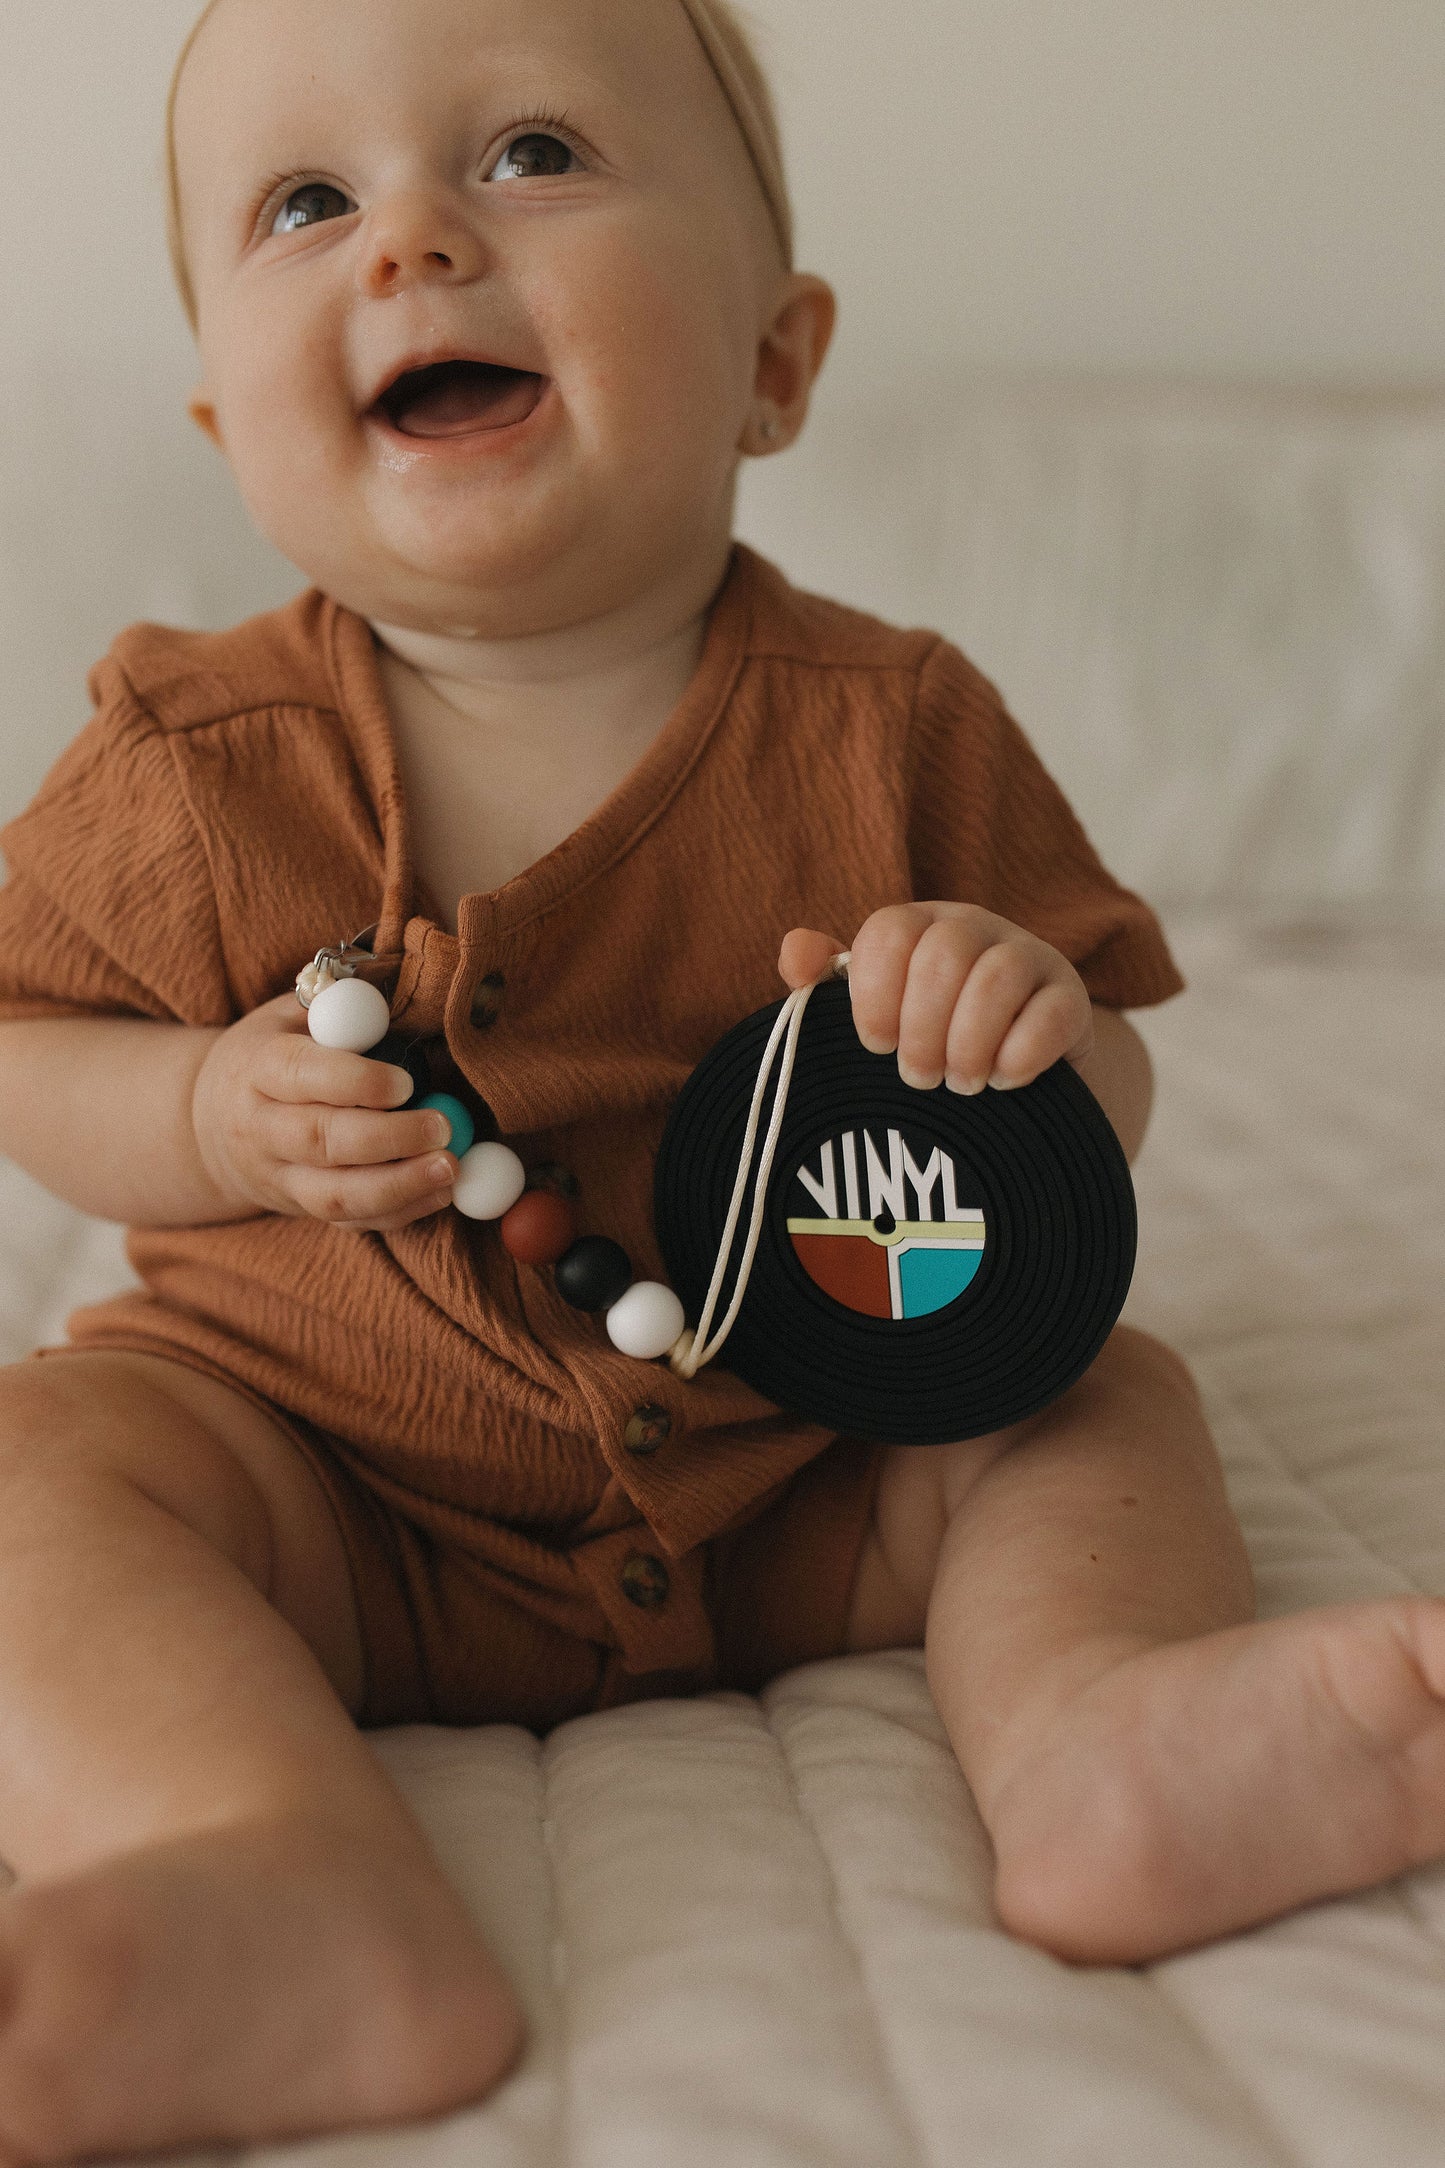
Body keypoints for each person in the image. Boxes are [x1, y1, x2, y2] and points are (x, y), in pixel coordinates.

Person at [0, 0, 1442, 2154]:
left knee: (1095, 1393)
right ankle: (275, 1871)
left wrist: (1017, 1018)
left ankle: (1099, 1747)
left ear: (776, 359)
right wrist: (204, 1114)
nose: (409, 242)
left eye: (531, 157)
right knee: (42, 1467)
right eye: (309, 204)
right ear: (231, 429)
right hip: (327, 1480)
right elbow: (26, 1044)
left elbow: (1105, 1094)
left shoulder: (891, 725)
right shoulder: (190, 765)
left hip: (817, 1471)